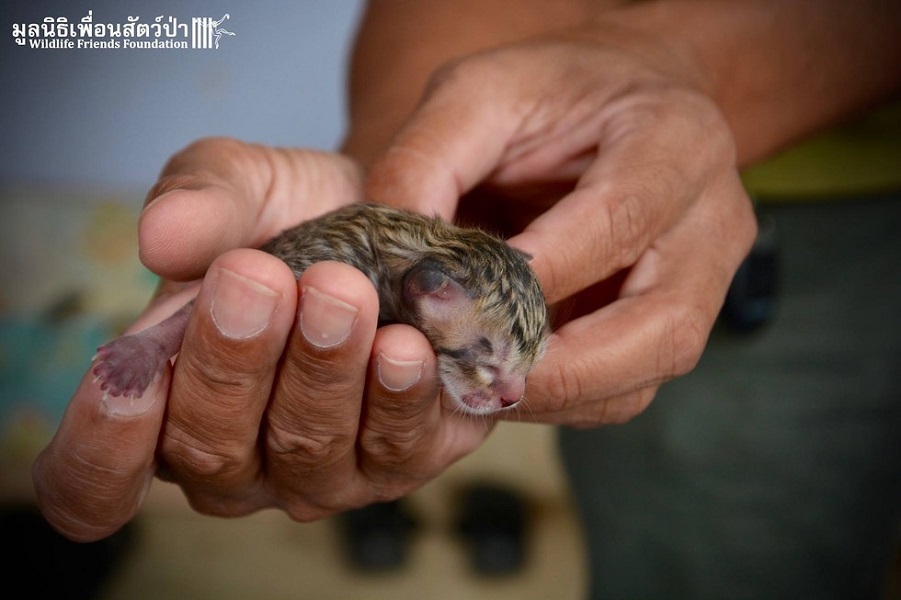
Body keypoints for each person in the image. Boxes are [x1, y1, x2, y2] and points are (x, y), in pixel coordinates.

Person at [33, 0, 901, 597]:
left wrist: (672, 67)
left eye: (512, 363)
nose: (511, 390)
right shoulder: (365, 264)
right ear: (428, 290)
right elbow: (253, 272)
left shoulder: (442, 302)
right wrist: (396, 148)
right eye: (490, 354)